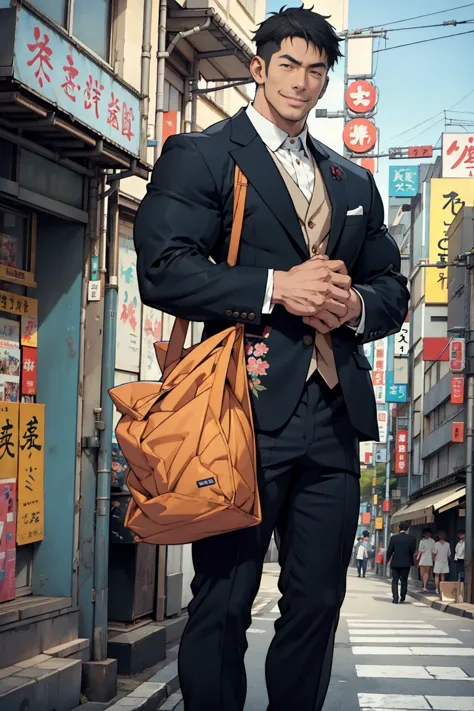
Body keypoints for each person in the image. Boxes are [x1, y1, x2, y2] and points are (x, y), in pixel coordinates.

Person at [133, 7, 409, 710]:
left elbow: (393, 287)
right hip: (238, 413)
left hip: (335, 415)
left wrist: (352, 308)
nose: (302, 81)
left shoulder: (349, 183)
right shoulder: (203, 155)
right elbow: (162, 269)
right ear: (259, 68)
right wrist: (276, 287)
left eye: (316, 69)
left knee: (317, 602)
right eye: (288, 64)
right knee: (223, 599)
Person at [386, 521, 416, 604]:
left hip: (395, 562)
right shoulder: (412, 538)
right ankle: (403, 596)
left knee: (395, 580)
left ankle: (395, 598)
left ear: (399, 528)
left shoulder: (394, 538)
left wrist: (387, 559)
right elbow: (412, 551)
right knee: (404, 580)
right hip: (406, 562)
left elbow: (390, 550)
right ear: (407, 529)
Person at [432, 530, 451, 594]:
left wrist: (433, 559)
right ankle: (442, 589)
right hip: (444, 561)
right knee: (443, 575)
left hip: (438, 561)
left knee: (436, 575)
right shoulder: (447, 544)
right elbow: (449, 554)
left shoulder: (436, 544)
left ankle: (437, 589)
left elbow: (434, 553)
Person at [417, 528, 435, 593]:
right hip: (429, 558)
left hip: (423, 558)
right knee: (427, 573)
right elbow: (434, 551)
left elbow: (420, 550)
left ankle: (424, 586)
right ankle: (425, 586)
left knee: (422, 573)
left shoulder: (422, 541)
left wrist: (417, 558)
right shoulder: (433, 541)